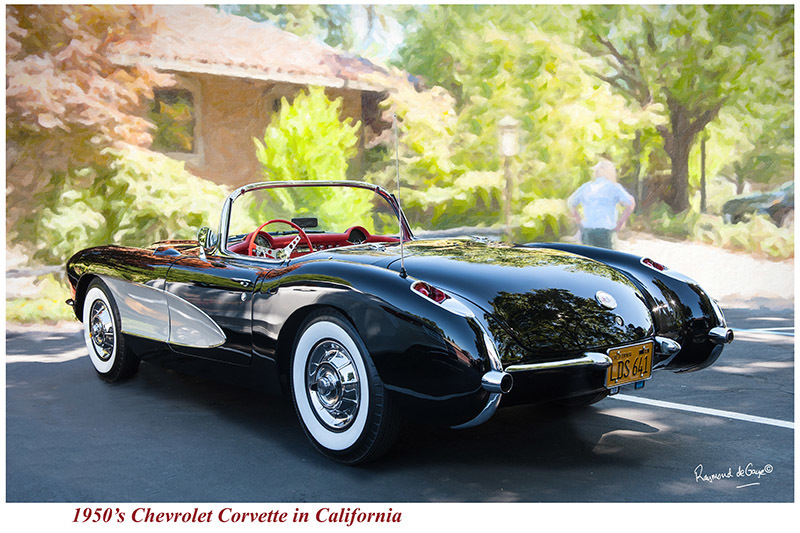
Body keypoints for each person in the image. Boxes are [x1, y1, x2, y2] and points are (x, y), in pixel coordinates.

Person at [567, 159, 635, 249]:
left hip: (588, 231)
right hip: (606, 232)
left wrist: (578, 219)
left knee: (589, 260)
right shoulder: (614, 187)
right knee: (608, 260)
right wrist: (621, 222)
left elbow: (571, 202)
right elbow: (631, 203)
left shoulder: (586, 187)